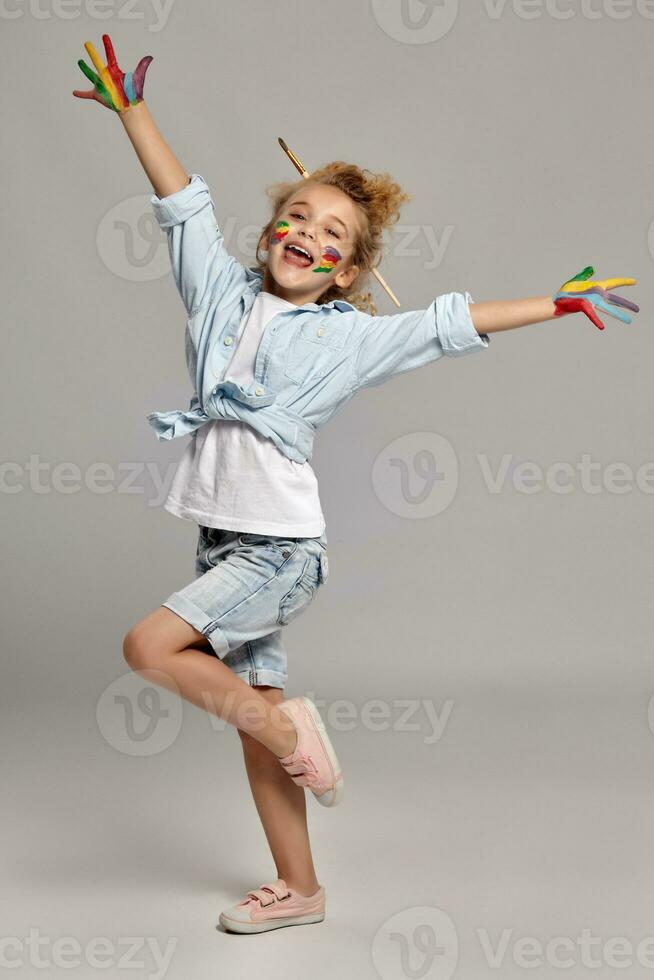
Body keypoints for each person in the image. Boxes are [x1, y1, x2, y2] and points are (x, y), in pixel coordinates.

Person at [72, 34, 639, 935]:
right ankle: (301, 890)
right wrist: (134, 112)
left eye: (334, 233)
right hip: (223, 538)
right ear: (269, 234)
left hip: (280, 549)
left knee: (151, 649)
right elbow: (181, 204)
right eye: (297, 217)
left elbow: (451, 324)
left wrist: (555, 303)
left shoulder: (347, 337)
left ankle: (295, 731)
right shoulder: (218, 293)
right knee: (253, 721)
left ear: (349, 269)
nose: (308, 234)